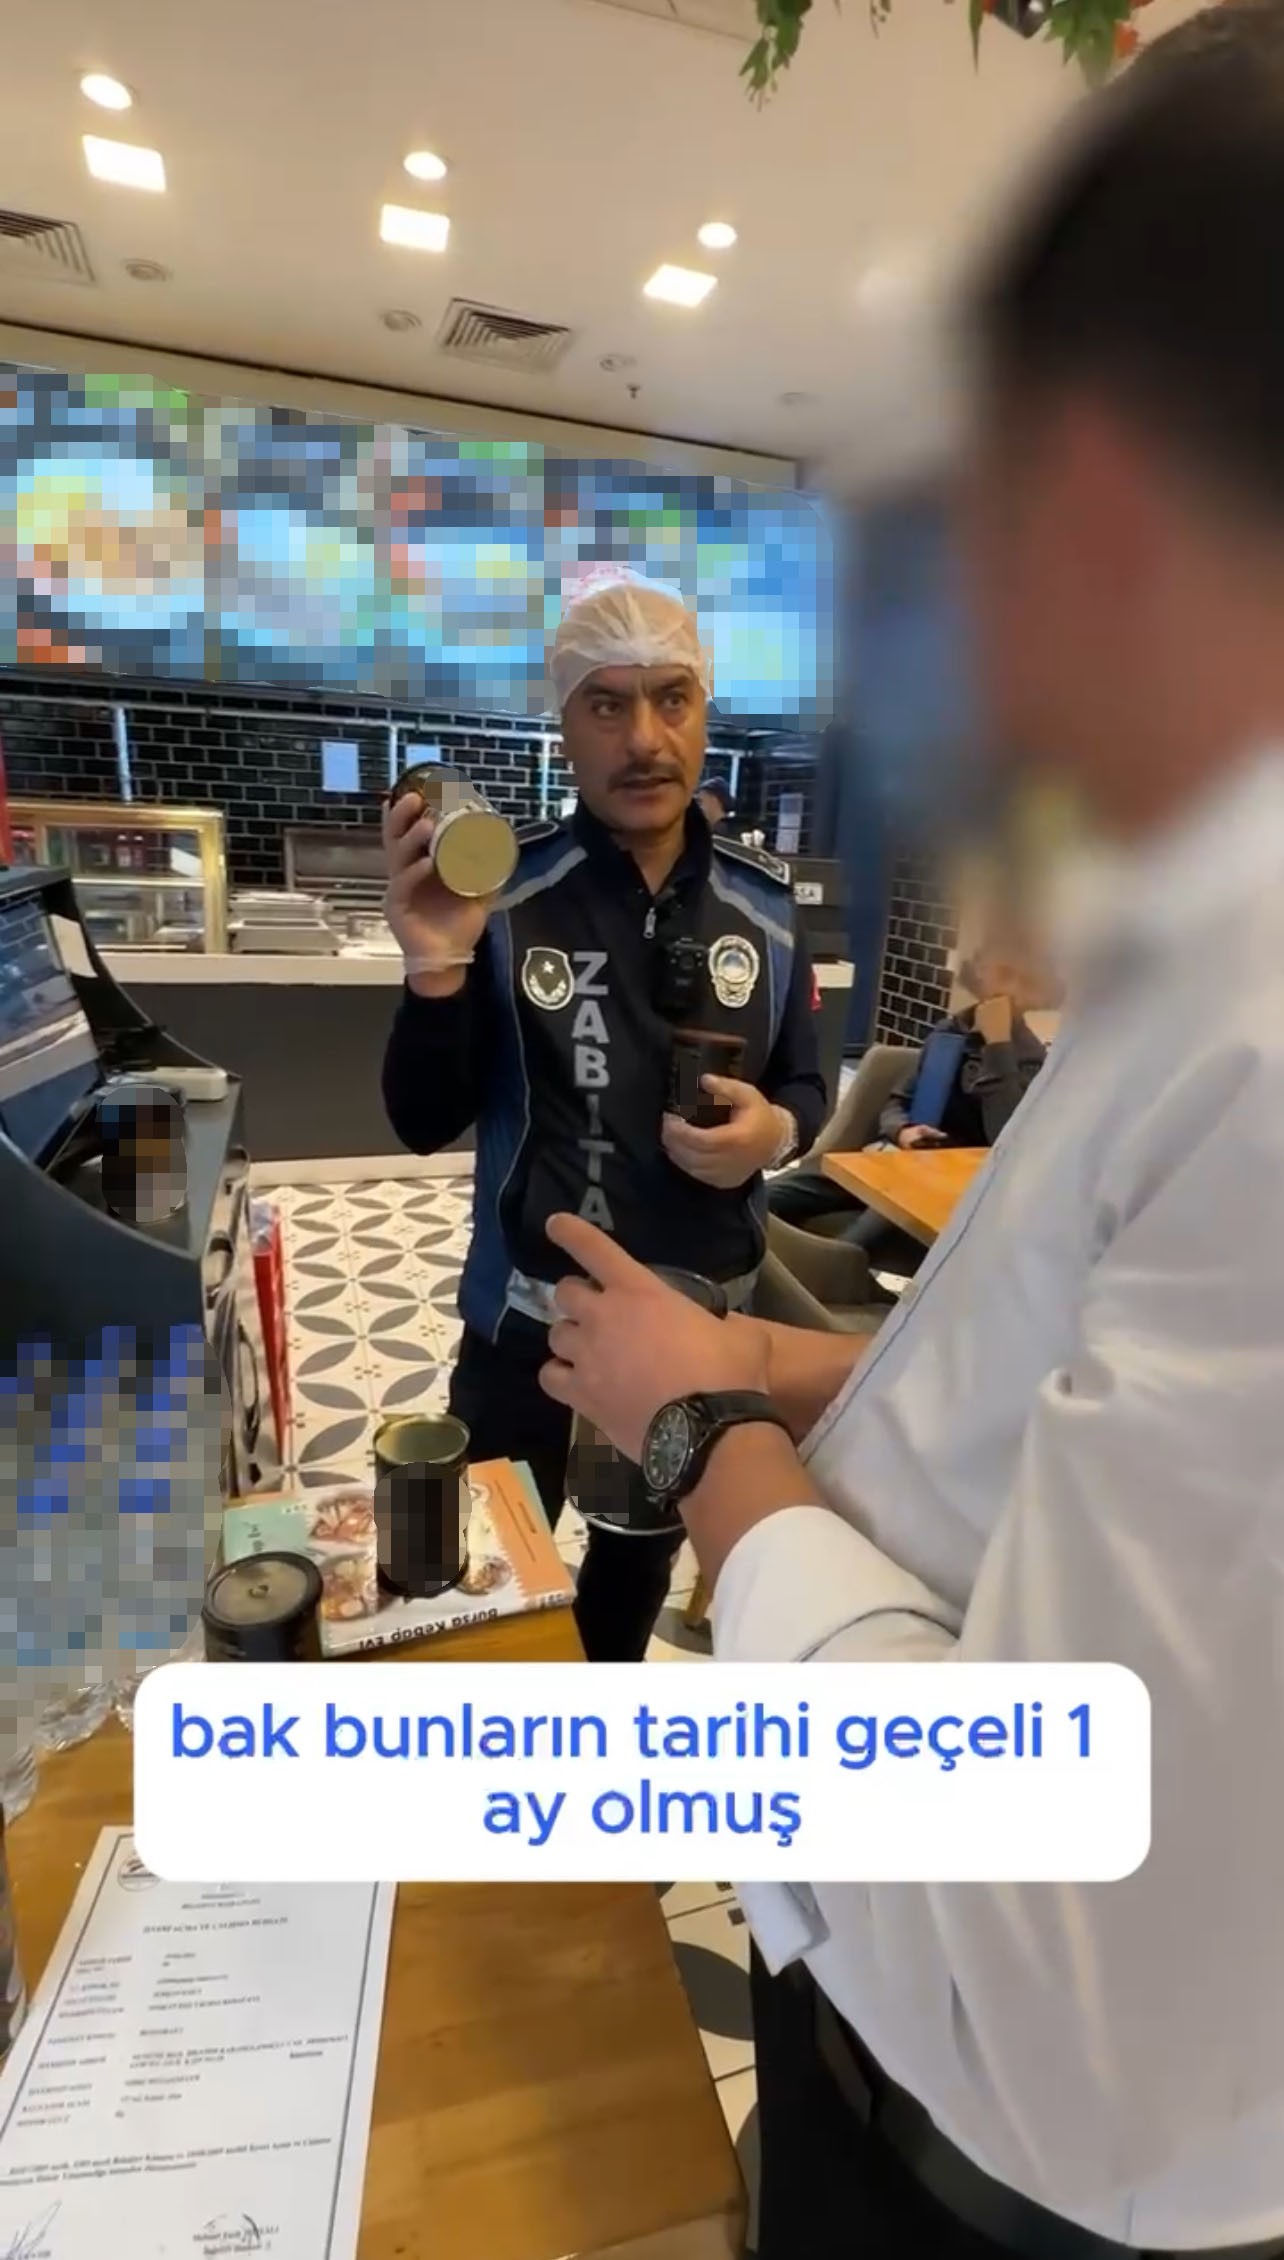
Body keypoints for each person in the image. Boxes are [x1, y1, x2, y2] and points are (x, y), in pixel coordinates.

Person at [537, 7, 1284, 2254]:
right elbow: (1044, 1379)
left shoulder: (1213, 1005)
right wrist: (772, 1371)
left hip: (982, 2149)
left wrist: (709, 1413)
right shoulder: (1197, 951)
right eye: (610, 698)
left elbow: (1049, 1957)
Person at [380, 575, 825, 1662]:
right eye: (607, 704)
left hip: (694, 1338)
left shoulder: (768, 908)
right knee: (486, 1603)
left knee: (624, 1597)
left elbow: (808, 1088)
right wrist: (434, 966)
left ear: (705, 713)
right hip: (524, 1334)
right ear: (566, 725)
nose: (644, 739)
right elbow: (422, 1120)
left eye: (672, 699)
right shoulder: (504, 895)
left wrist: (773, 1134)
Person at [770, 927, 1050, 1275]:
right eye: (1004, 974)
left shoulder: (1030, 1058)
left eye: (1024, 982)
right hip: (892, 1160)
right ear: (980, 972)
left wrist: (998, 1047)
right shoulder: (947, 1033)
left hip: (938, 1189)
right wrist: (902, 1130)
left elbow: (1004, 1133)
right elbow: (898, 1100)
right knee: (773, 1196)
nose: (1010, 990)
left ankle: (826, 1285)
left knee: (843, 1251)